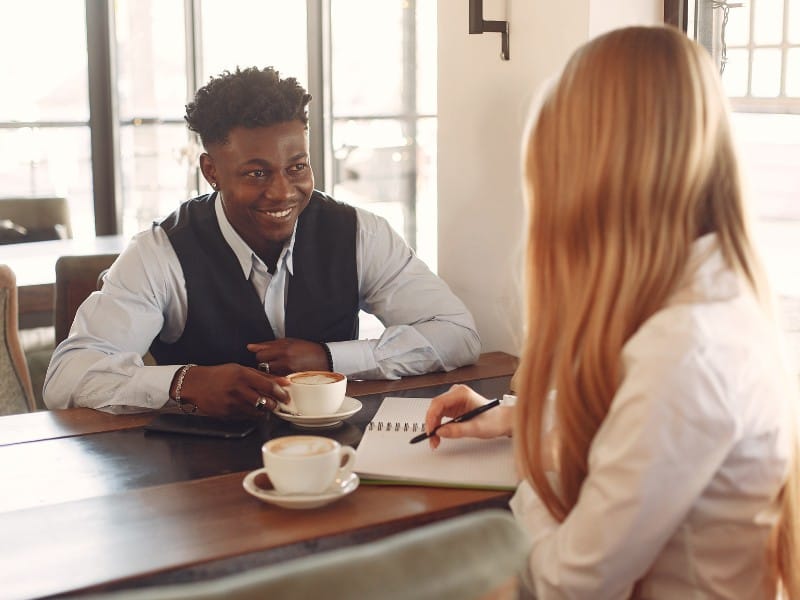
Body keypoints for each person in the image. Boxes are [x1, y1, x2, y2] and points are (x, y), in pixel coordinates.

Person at [425, 26, 798, 599]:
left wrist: (533, 472)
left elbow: (565, 584)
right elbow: (638, 433)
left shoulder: (687, 348)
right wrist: (521, 421)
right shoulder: (715, 299)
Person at [44, 66, 480, 417]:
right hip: (200, 479)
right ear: (211, 171)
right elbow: (67, 376)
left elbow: (457, 334)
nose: (282, 192)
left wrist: (330, 359)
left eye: (297, 167)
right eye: (256, 173)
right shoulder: (159, 253)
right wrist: (183, 383)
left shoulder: (360, 234)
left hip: (337, 460)